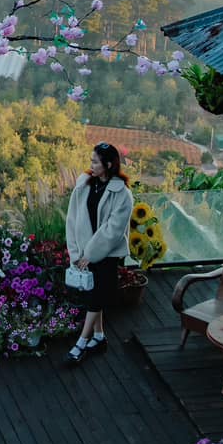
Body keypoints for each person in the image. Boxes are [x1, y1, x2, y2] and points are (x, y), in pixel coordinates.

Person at [65, 140, 133, 363]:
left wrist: (89, 255)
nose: (91, 165)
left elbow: (112, 231)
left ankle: (81, 342)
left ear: (109, 164)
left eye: (95, 161)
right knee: (95, 294)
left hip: (106, 254)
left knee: (96, 298)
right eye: (91, 161)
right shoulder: (83, 185)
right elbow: (72, 220)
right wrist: (76, 253)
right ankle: (99, 336)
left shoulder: (122, 195)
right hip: (83, 253)